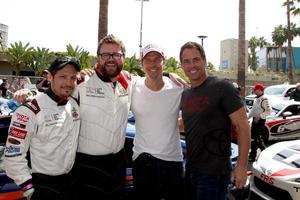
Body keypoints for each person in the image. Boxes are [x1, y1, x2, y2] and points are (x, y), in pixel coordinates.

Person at [179, 41, 250, 200]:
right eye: (186, 61)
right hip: (190, 170)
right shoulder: (186, 95)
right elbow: (188, 124)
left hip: (214, 174)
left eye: (196, 59)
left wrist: (241, 166)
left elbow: (243, 126)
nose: (192, 65)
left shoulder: (222, 87)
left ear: (204, 61)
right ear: (182, 65)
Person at [4, 56, 81, 200]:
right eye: (63, 77)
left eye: (73, 78)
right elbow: (12, 155)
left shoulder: (74, 104)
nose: (69, 83)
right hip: (43, 187)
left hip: (71, 183)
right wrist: (29, 190)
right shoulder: (29, 110)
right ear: (50, 77)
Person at [73, 34, 131, 200]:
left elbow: (151, 79)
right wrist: (26, 93)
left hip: (118, 163)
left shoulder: (127, 81)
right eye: (106, 55)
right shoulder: (82, 81)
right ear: (98, 58)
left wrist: (168, 75)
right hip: (87, 166)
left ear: (123, 58)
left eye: (116, 54)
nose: (111, 59)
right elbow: (54, 92)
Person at [131, 44, 184, 200]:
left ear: (164, 62)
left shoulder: (178, 87)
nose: (153, 64)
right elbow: (110, 76)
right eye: (148, 60)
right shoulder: (133, 85)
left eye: (157, 60)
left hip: (172, 161)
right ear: (142, 64)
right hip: (142, 161)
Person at [248, 83, 272, 162]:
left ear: (259, 90)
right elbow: (253, 111)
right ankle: (262, 154)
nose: (254, 91)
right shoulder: (257, 98)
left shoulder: (264, 99)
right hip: (255, 120)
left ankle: (254, 156)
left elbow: (269, 111)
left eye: (255, 89)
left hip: (260, 121)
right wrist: (247, 118)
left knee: (256, 139)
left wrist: (260, 116)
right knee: (255, 139)